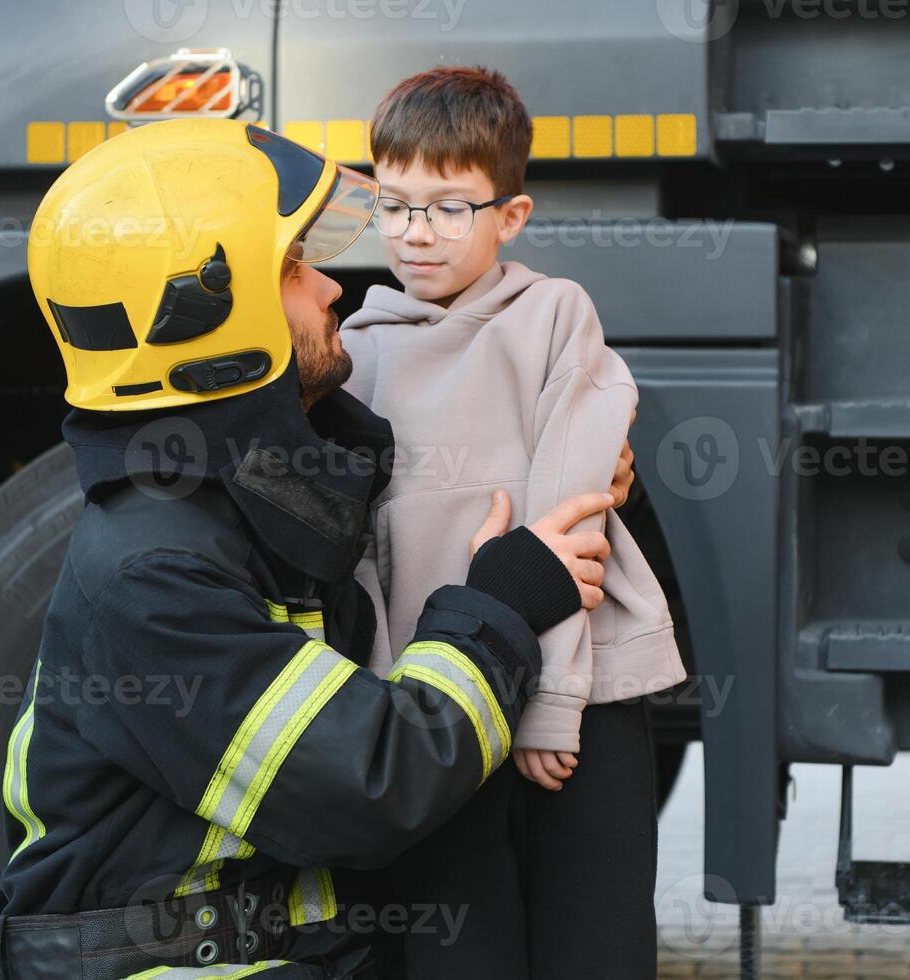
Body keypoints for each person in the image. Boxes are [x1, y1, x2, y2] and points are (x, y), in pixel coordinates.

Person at [0, 118, 619, 980]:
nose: (329, 288)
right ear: (203, 315)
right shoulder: (155, 574)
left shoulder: (238, 513)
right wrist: (499, 602)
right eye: (287, 268)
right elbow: (374, 781)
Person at [340, 67, 687, 978]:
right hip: (437, 705)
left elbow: (570, 518)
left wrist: (548, 710)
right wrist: (390, 718)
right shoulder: (357, 352)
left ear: (512, 216)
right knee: (459, 943)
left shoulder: (553, 319)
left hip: (571, 701)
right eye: (395, 203)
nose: (416, 232)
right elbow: (363, 563)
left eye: (451, 207)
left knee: (591, 936)